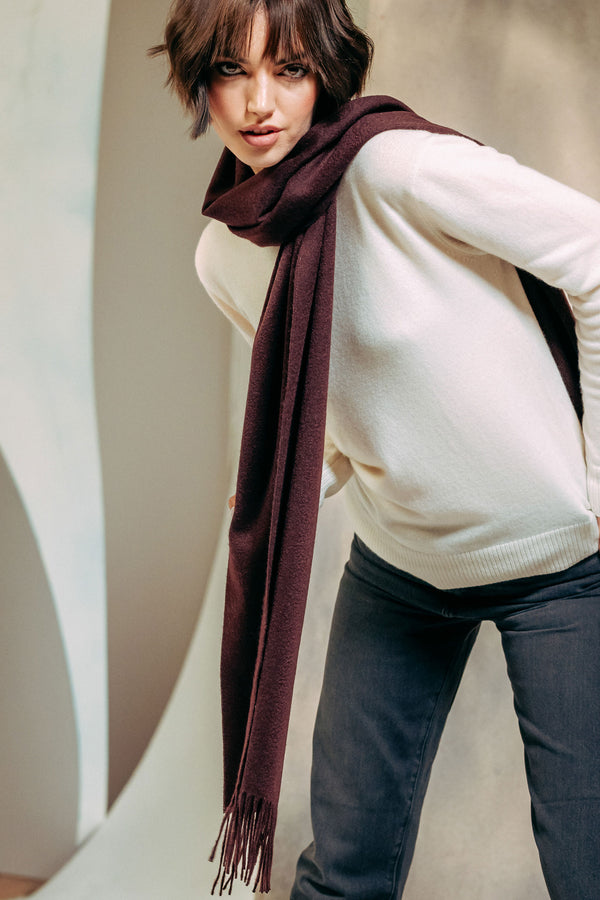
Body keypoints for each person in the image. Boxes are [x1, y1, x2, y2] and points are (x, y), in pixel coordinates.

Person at [151, 1, 600, 897]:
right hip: (401, 571)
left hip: (560, 563)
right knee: (341, 872)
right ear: (201, 84)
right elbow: (335, 422)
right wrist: (275, 492)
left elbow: (593, 254)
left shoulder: (397, 168)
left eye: (287, 69)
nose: (260, 102)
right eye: (232, 72)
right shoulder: (226, 255)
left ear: (326, 68)